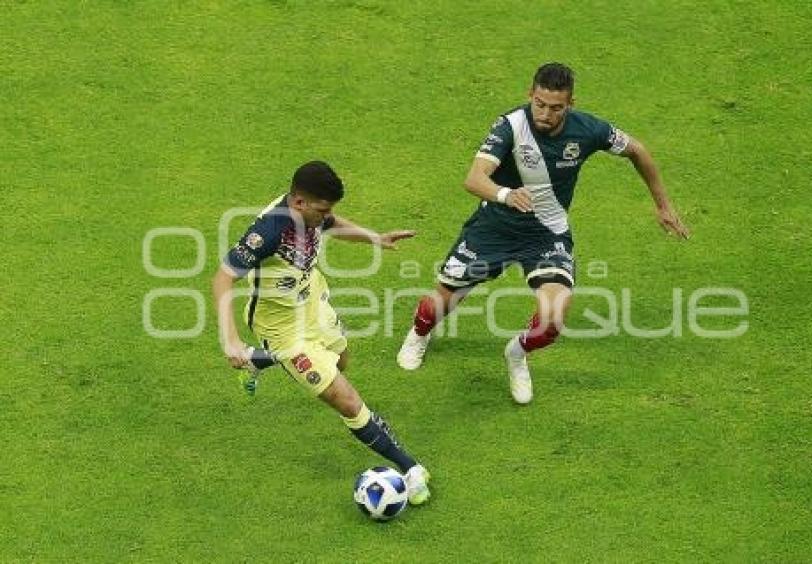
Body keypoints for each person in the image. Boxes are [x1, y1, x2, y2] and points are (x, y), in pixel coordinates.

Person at [397, 62, 690, 404]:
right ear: (530, 96)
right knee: (437, 306)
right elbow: (474, 178)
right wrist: (507, 195)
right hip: (493, 229)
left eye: (556, 108)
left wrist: (663, 205)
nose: (546, 114)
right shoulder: (511, 126)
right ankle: (419, 334)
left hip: (546, 234)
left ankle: (517, 354)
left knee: (553, 320)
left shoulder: (590, 130)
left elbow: (637, 150)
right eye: (540, 103)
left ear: (570, 104)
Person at [213, 161, 431, 504]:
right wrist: (230, 338)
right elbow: (223, 276)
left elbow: (332, 224)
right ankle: (411, 469)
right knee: (345, 399)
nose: (326, 217)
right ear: (299, 203)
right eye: (322, 210)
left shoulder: (309, 209)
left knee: (341, 362)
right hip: (281, 328)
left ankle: (257, 362)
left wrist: (374, 238)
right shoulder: (268, 232)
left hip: (312, 300)